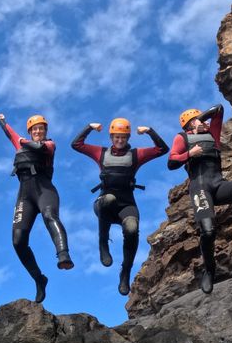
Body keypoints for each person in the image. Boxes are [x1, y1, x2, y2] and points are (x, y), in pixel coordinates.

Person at [168, 104, 232, 294]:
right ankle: (209, 270)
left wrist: (200, 120)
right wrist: (190, 153)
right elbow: (171, 162)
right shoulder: (182, 137)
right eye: (195, 121)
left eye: (201, 119)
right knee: (208, 231)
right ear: (187, 126)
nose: (202, 123)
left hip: (218, 185)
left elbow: (218, 109)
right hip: (200, 189)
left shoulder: (212, 134)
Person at [72, 118, 168, 295]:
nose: (120, 140)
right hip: (104, 205)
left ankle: (125, 272)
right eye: (116, 137)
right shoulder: (101, 153)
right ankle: (103, 243)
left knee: (132, 228)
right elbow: (76, 145)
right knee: (108, 199)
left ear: (128, 137)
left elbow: (162, 149)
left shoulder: (136, 155)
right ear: (111, 137)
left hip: (126, 204)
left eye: (123, 137)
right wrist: (89, 128)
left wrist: (149, 131)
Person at [0, 113, 73, 304]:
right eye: (35, 129)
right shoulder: (20, 143)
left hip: (44, 191)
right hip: (25, 196)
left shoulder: (49, 144)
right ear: (30, 131)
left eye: (41, 128)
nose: (38, 131)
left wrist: (21, 140)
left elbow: (37, 147)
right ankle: (39, 279)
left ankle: (63, 255)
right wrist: (2, 121)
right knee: (18, 241)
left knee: (50, 216)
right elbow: (10, 133)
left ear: (45, 131)